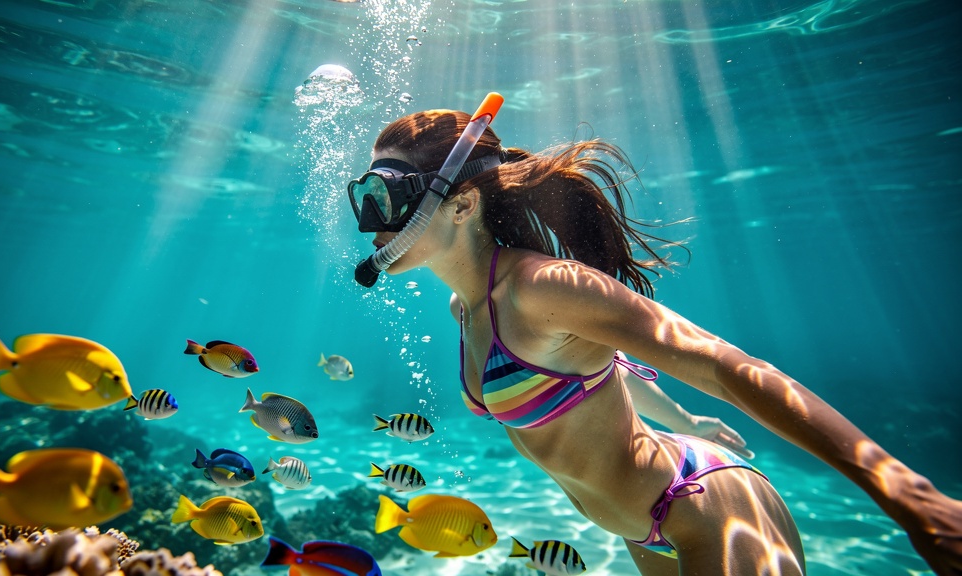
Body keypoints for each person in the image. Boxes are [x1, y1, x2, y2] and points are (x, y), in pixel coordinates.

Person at [346, 108, 962, 574]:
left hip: (702, 504)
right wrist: (683, 416)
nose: (370, 221)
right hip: (640, 533)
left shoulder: (543, 287)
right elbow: (602, 374)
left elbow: (727, 367)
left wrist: (911, 496)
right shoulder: (466, 304)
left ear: (461, 204)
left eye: (387, 196)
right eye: (363, 196)